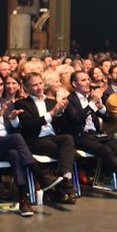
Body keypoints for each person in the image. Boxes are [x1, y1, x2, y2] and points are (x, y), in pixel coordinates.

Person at [0, 72, 61, 217]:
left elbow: (16, 129)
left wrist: (14, 120)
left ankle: (24, 200)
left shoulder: (6, 103)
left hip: (7, 144)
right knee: (16, 139)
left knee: (15, 154)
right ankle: (40, 175)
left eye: (1, 85)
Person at [54, 71, 117, 199]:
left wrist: (101, 107)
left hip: (96, 135)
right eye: (83, 80)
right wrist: (92, 103)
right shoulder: (70, 100)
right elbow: (77, 120)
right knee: (104, 150)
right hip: (79, 136)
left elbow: (108, 119)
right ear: (75, 84)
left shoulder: (90, 99)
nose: (88, 82)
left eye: (88, 79)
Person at [15, 72, 78, 204]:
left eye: (40, 83)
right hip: (36, 140)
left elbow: (61, 126)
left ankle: (65, 179)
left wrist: (60, 114)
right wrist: (52, 113)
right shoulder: (22, 104)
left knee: (68, 139)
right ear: (26, 88)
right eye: (34, 85)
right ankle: (64, 186)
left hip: (53, 137)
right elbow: (29, 125)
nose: (39, 87)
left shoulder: (51, 102)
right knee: (68, 152)